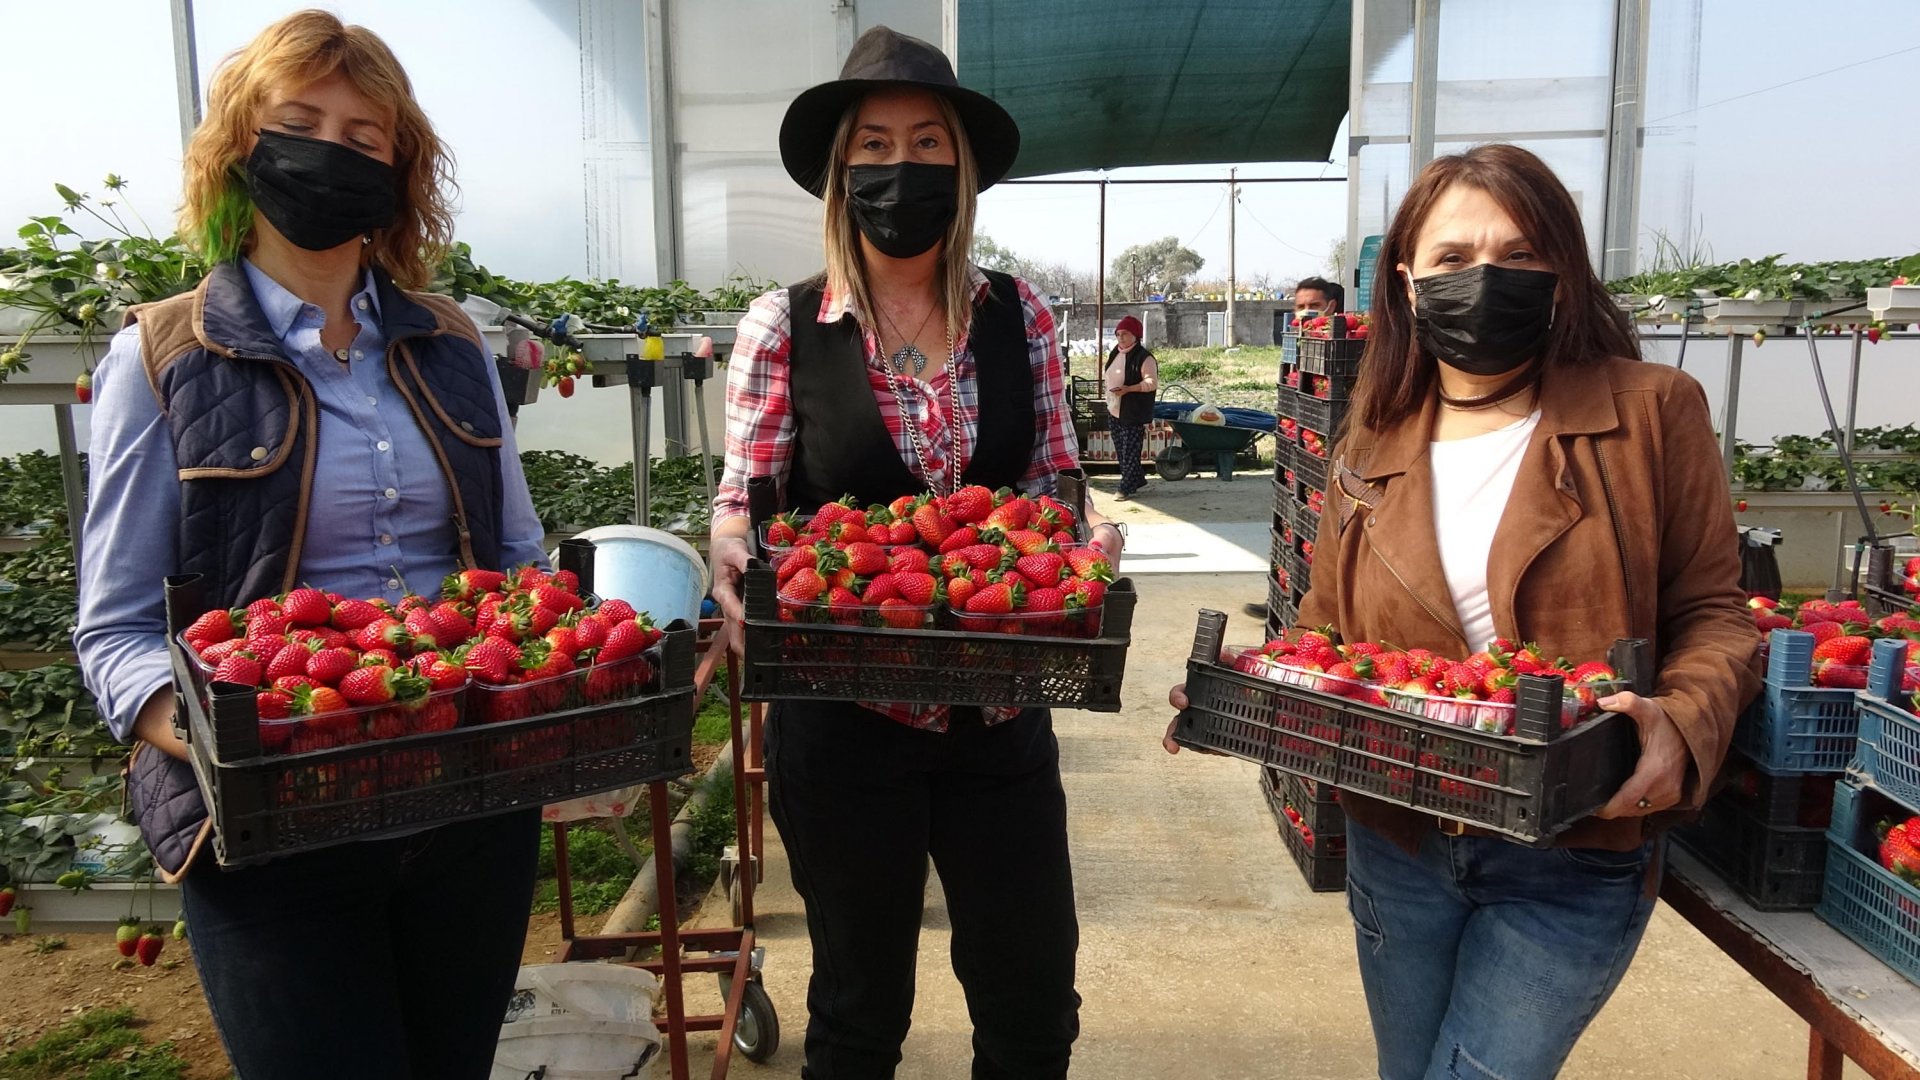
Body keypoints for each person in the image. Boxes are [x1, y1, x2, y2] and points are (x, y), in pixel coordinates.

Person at [1167, 143, 1760, 1080]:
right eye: (1452, 258)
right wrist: (1256, 688)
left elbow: (1716, 612)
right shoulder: (1378, 426)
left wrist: (1681, 724)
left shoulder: (1651, 412)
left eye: (1519, 255)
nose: (1485, 278)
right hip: (1398, 832)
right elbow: (1324, 622)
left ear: (1562, 270)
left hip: (1573, 844)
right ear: (1405, 282)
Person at [73, 12, 550, 1078]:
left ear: (399, 167)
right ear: (244, 147)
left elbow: (520, 561)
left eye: (364, 135)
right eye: (299, 123)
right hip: (269, 837)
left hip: (468, 807)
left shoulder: (453, 344)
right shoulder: (162, 356)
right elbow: (113, 635)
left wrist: (574, 682)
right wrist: (247, 747)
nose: (331, 151)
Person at [707, 26, 1118, 1080]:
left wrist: (1084, 547)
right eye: (876, 145)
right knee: (858, 1010)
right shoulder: (783, 325)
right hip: (846, 726)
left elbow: (1053, 491)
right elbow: (745, 505)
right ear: (843, 172)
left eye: (929, 144)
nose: (903, 168)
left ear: (963, 170)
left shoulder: (1017, 312)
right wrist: (736, 566)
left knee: (1033, 1003)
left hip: (1003, 710)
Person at [1103, 314, 1158, 499]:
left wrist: (1129, 389)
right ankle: (1137, 479)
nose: (1121, 338)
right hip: (1114, 408)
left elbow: (1151, 383)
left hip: (1133, 410)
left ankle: (1125, 487)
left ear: (1135, 335)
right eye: (1118, 334)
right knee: (1121, 449)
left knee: (1130, 451)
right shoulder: (1115, 352)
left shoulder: (1145, 357)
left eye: (1125, 334)